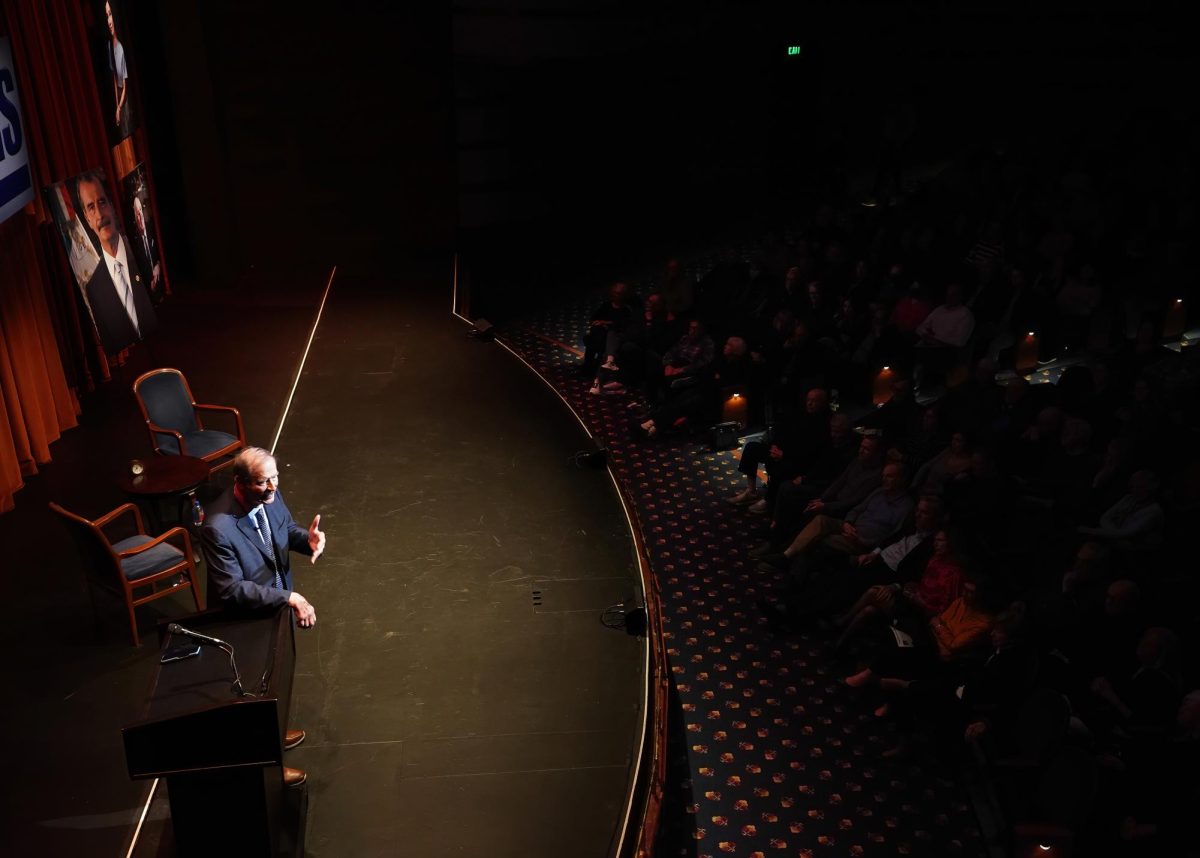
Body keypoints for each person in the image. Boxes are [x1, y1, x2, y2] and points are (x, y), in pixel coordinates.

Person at [201, 447, 327, 788]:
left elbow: (285, 530)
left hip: (276, 606)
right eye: (262, 482)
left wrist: (308, 541)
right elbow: (231, 590)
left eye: (275, 478)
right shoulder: (218, 527)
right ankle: (267, 770)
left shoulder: (269, 494)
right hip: (246, 618)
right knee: (251, 693)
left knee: (274, 681)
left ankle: (272, 736)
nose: (272, 487)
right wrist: (289, 597)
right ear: (239, 482)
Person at [76, 171, 158, 353]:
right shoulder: (93, 289)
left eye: (102, 202)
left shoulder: (142, 254)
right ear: (87, 219)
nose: (99, 214)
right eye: (91, 207)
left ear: (112, 205)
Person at [105, 1, 133, 138]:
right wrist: (116, 106)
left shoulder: (120, 48)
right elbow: (115, 80)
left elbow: (125, 85)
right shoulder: (110, 47)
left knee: (128, 129)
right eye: (107, 16)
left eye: (110, 14)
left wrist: (119, 107)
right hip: (119, 97)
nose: (109, 21)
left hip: (125, 99)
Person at [130, 195, 161, 297]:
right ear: (134, 216)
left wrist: (158, 265)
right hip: (148, 291)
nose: (139, 216)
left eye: (140, 211)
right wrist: (146, 284)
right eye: (136, 212)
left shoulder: (151, 229)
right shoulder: (134, 242)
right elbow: (136, 275)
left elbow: (159, 254)